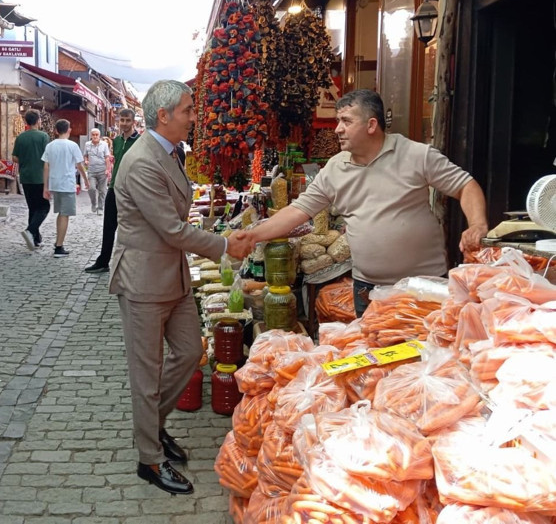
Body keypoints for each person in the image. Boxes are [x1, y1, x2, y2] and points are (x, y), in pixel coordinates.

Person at [110, 80, 252, 495]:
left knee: (191, 351)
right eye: (189, 111)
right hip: (143, 280)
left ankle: (152, 426)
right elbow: (172, 229)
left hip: (172, 276)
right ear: (163, 116)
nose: (195, 117)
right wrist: (226, 246)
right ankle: (149, 460)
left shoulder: (170, 152)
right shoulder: (141, 162)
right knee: (146, 374)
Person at [234, 88, 489, 317]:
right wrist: (252, 235)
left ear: (371, 125)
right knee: (374, 362)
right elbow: (297, 211)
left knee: (424, 360)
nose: (337, 129)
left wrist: (477, 224)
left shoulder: (416, 154)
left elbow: (466, 186)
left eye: (346, 121)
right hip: (368, 289)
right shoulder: (335, 168)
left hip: (423, 285)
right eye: (337, 121)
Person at [85, 108, 139, 274]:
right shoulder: (115, 141)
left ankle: (132, 263)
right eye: (121, 120)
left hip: (132, 190)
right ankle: (103, 261)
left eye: (127, 120)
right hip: (114, 187)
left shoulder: (139, 142)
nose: (124, 123)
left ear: (133, 122)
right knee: (108, 225)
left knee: (131, 227)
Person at [42, 119, 88, 257]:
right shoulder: (72, 145)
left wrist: (46, 186)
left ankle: (58, 242)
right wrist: (85, 179)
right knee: (64, 214)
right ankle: (59, 247)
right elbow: (79, 165)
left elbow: (46, 166)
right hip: (67, 183)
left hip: (55, 183)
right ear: (69, 130)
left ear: (56, 130)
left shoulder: (50, 146)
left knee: (61, 213)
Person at [12, 111, 51, 250]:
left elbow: (14, 158)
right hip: (40, 176)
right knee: (44, 207)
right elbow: (48, 157)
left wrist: (25, 160)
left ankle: (35, 239)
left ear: (26, 122)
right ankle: (30, 230)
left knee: (33, 208)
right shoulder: (43, 136)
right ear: (38, 121)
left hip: (26, 176)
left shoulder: (20, 137)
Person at [83, 128, 111, 214]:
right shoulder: (87, 144)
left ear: (99, 136)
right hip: (91, 171)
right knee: (91, 189)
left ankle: (100, 208)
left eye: (96, 135)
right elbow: (85, 155)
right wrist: (86, 160)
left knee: (102, 191)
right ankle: (93, 203)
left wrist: (107, 169)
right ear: (91, 136)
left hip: (102, 171)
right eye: (93, 135)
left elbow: (107, 158)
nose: (95, 136)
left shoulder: (104, 144)